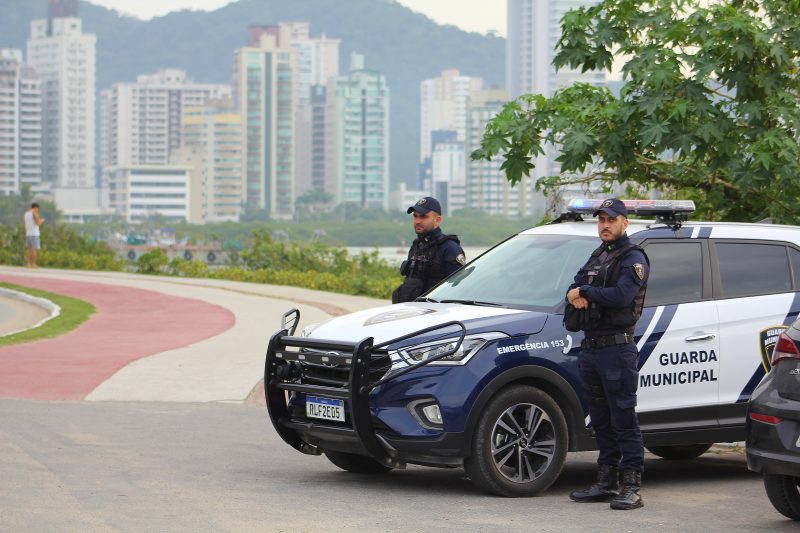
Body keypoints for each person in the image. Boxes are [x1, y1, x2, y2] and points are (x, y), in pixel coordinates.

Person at [565, 198, 649, 510]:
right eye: (601, 220)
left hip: (617, 348)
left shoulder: (633, 257)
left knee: (623, 418)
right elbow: (573, 287)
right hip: (591, 348)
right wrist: (575, 294)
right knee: (600, 419)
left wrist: (585, 293)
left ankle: (632, 486)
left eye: (611, 220)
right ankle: (605, 481)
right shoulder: (599, 255)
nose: (605, 225)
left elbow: (622, 296)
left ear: (625, 223)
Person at [391, 197, 466, 303]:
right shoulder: (417, 245)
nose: (417, 221)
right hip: (411, 308)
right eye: (415, 216)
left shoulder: (450, 248)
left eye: (423, 217)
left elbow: (459, 288)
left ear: (437, 220)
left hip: (437, 310)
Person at [24, 202, 44, 268]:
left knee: (29, 250)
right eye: (38, 209)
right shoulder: (34, 213)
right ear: (35, 208)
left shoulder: (26, 214)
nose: (38, 210)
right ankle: (33, 264)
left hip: (28, 234)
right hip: (34, 234)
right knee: (34, 250)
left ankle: (27, 264)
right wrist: (41, 221)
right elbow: (37, 223)